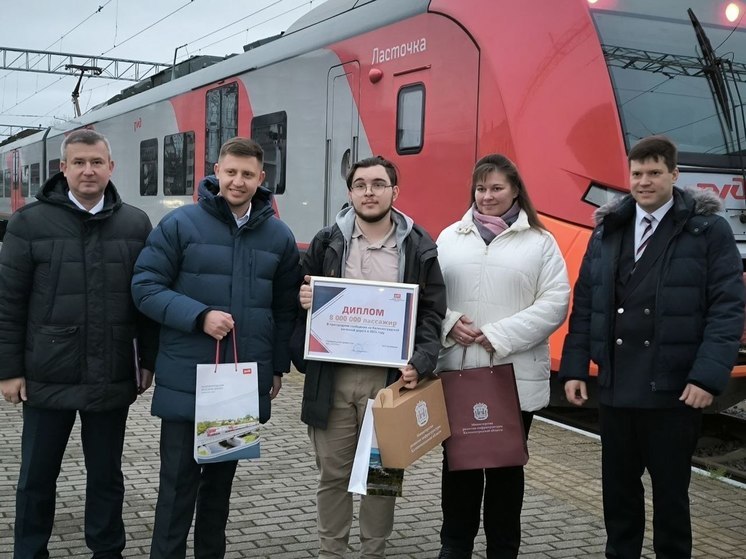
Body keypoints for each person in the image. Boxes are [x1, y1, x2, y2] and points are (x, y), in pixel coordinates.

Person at [559, 135, 745, 558]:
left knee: (671, 497)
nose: (644, 182)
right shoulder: (609, 228)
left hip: (674, 390)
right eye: (637, 173)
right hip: (617, 389)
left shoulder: (707, 230)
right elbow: (586, 301)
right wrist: (573, 368)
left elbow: (728, 308)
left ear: (675, 175)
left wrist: (706, 376)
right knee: (619, 496)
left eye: (654, 173)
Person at [131, 137, 301, 559]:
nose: (238, 181)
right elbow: (144, 287)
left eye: (247, 174)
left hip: (236, 389)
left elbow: (283, 309)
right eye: (230, 172)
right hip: (187, 382)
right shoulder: (180, 225)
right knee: (176, 489)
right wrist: (199, 315)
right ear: (216, 171)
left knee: (218, 494)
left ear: (262, 179)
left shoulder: (278, 235)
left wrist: (276, 368)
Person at [0, 128, 158, 559]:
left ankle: (107, 550)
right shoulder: (28, 223)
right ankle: (29, 552)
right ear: (63, 168)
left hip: (110, 372)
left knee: (106, 475)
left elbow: (145, 298)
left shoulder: (135, 223)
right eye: (79, 163)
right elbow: (9, 302)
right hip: (46, 373)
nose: (88, 171)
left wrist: (147, 359)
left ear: (111, 167)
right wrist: (9, 370)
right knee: (36, 476)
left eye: (97, 162)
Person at [294, 155, 446, 558]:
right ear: (350, 193)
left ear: (395, 191)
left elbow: (432, 312)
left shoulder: (419, 245)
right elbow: (297, 300)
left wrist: (422, 360)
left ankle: (373, 552)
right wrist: (304, 299)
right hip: (333, 380)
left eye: (378, 184)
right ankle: (332, 552)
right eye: (361, 184)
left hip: (389, 382)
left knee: (381, 475)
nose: (369, 192)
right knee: (333, 475)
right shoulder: (327, 241)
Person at [434, 154, 570, 559]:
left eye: (496, 188)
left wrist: (496, 335)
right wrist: (449, 323)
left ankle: (503, 549)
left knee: (506, 473)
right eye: (481, 188)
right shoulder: (449, 237)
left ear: (515, 191)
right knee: (458, 470)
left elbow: (555, 303)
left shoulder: (540, 243)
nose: (487, 196)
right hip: (457, 375)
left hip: (511, 378)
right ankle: (454, 547)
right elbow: (429, 295)